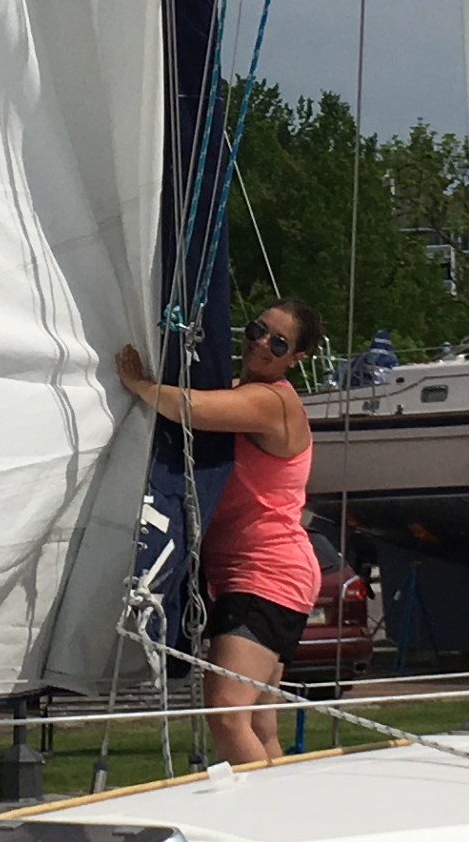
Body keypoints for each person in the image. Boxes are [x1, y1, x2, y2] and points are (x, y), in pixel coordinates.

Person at [117, 297, 324, 766]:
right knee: (258, 723)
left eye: (279, 342)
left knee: (227, 710)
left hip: (267, 572)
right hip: (254, 572)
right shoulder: (239, 393)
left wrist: (139, 384)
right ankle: (287, 822)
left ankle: (261, 824)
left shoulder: (272, 402)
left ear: (297, 358)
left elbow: (188, 406)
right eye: (257, 329)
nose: (261, 344)